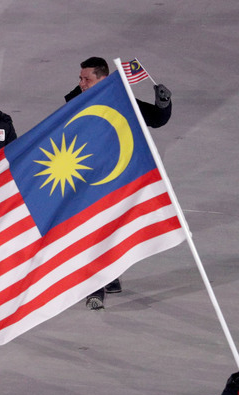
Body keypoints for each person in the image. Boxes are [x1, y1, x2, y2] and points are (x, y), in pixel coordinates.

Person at [64, 57, 172, 310]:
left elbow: (155, 119)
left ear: (103, 78)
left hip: (117, 178)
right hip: (87, 178)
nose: (81, 84)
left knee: (110, 229)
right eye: (80, 79)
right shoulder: (77, 99)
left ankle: (109, 275)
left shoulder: (119, 100)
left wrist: (163, 103)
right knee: (93, 231)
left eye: (87, 79)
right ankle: (97, 287)